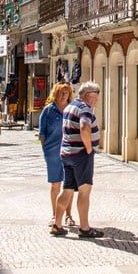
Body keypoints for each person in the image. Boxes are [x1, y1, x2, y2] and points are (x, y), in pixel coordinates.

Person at [52, 81, 102, 239]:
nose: (97, 100)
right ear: (88, 95)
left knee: (67, 190)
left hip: (67, 153)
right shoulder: (85, 109)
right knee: (84, 191)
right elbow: (84, 128)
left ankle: (57, 224)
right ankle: (85, 228)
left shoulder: (69, 107)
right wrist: (88, 148)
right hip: (81, 155)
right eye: (96, 96)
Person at [39, 82, 76, 228]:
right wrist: (46, 151)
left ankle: (68, 216)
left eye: (66, 93)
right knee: (55, 184)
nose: (63, 95)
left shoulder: (72, 109)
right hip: (53, 152)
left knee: (69, 185)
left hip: (69, 151)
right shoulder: (48, 110)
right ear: (55, 93)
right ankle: (55, 216)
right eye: (61, 92)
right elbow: (42, 134)